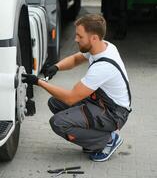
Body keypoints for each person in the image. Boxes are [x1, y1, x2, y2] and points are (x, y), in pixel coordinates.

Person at [22, 14, 131, 162]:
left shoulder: (103, 67)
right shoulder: (102, 46)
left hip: (113, 113)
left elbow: (70, 97)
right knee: (55, 102)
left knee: (58, 122)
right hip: (101, 103)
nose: (76, 39)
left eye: (80, 36)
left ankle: (108, 140)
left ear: (93, 38)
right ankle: (92, 139)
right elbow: (75, 59)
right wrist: (56, 67)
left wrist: (38, 82)